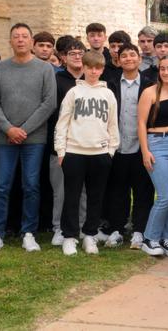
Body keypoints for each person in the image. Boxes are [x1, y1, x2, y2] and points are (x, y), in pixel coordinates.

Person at [0, 23, 58, 253]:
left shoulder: (44, 69)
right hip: (4, 138)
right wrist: (9, 129)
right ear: (10, 41)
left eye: (24, 36)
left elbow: (49, 103)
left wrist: (24, 129)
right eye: (16, 37)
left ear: (31, 42)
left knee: (31, 185)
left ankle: (29, 232)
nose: (20, 40)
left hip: (34, 138)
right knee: (1, 185)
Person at [54, 49, 119, 256]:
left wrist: (110, 151)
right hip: (74, 152)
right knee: (71, 196)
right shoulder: (74, 92)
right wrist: (61, 150)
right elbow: (62, 122)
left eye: (97, 68)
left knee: (95, 197)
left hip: (100, 153)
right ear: (83, 68)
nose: (93, 71)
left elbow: (113, 124)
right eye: (89, 67)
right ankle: (70, 236)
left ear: (102, 70)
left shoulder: (107, 93)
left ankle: (89, 235)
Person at [104, 43, 155, 250]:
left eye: (132, 55)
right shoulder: (110, 83)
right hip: (117, 145)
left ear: (139, 59)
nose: (128, 59)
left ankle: (139, 231)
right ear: (118, 60)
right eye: (123, 56)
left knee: (143, 190)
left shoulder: (150, 84)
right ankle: (117, 229)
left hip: (141, 145)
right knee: (118, 190)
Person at [137, 54, 168, 257]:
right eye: (163, 68)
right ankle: (150, 238)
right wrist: (145, 151)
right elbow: (140, 123)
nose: (166, 72)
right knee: (164, 195)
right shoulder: (149, 92)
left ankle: (166, 238)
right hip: (156, 143)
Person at [49, 39, 87, 245]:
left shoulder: (91, 81)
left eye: (81, 53)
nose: (77, 56)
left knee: (82, 191)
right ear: (64, 57)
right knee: (62, 191)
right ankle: (59, 227)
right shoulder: (57, 80)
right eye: (72, 53)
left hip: (85, 145)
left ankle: (81, 226)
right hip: (63, 144)